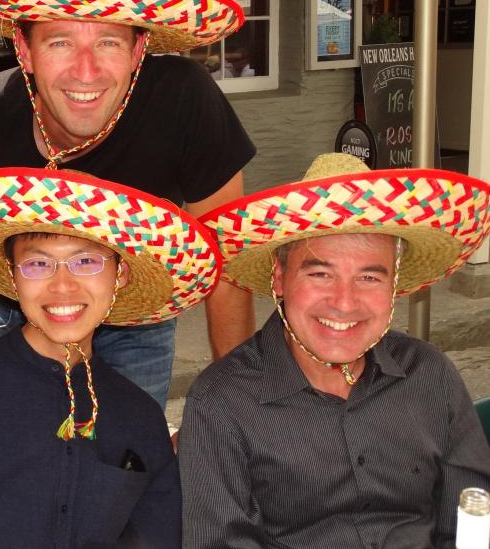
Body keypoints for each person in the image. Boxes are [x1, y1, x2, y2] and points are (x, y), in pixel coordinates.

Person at [0, 0, 257, 408]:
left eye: (107, 41)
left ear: (138, 50)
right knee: (20, 452)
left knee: (126, 462)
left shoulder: (184, 99)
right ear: (23, 50)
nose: (86, 71)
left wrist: (237, 403)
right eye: (60, 41)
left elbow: (226, 255)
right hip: (20, 305)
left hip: (136, 318)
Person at [0, 167, 221, 547]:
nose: (62, 286)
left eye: (86, 262)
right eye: (38, 264)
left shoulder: (140, 417)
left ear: (121, 275)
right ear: (12, 277)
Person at [180, 153, 490, 548]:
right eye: (320, 273)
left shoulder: (430, 374)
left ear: (393, 286)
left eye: (368, 277)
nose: (344, 303)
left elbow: (471, 520)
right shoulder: (222, 403)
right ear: (279, 277)